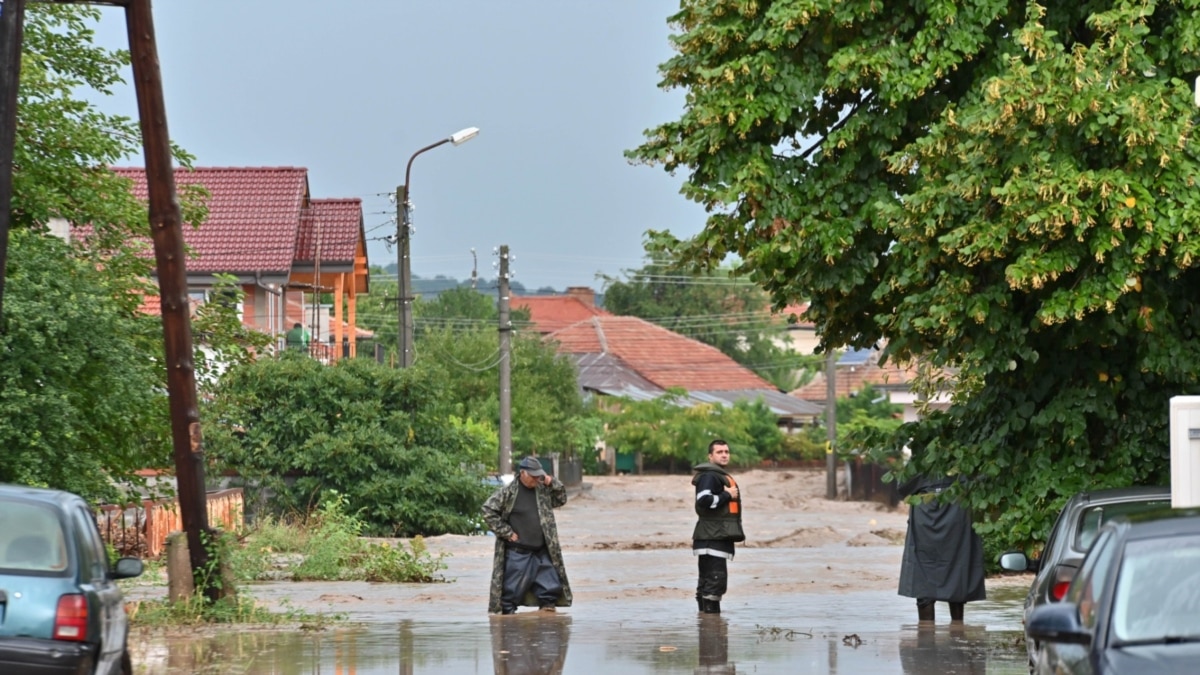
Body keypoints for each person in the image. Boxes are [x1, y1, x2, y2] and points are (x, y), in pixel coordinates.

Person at [482, 456, 573, 615]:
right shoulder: (508, 492)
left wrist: (552, 482)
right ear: (522, 473)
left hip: (542, 550)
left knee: (550, 593)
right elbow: (487, 510)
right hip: (518, 552)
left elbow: (561, 499)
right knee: (509, 598)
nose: (536, 479)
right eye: (533, 476)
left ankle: (548, 627)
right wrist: (506, 532)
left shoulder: (542, 490)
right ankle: (508, 629)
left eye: (539, 475)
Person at [897, 473, 986, 623]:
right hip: (957, 516)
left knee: (923, 577)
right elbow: (982, 482)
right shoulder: (965, 458)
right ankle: (957, 632)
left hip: (926, 520)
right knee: (957, 573)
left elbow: (902, 488)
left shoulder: (921, 461)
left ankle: (925, 636)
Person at [692, 439, 745, 615]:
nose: (724, 455)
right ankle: (712, 629)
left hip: (713, 537)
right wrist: (726, 494)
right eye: (719, 452)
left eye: (726, 452)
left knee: (707, 583)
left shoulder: (716, 475)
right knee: (715, 583)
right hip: (712, 538)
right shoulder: (710, 476)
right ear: (710, 456)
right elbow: (703, 501)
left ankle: (706, 627)